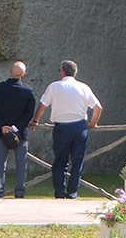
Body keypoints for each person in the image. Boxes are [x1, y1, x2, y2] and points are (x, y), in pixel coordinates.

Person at [30, 60, 102, 198]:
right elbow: (98, 108)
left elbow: (42, 106)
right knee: (77, 162)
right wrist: (92, 123)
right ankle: (72, 193)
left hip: (62, 128)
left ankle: (59, 193)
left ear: (62, 71)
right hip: (80, 127)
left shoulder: (54, 86)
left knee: (60, 162)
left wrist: (35, 121)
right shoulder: (84, 87)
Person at [0, 61, 35, 198]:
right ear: (23, 74)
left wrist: (2, 126)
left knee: (0, 164)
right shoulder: (27, 91)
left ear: (10, 71)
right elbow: (28, 114)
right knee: (21, 164)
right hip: (20, 133)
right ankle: (19, 192)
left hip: (0, 132)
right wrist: (16, 128)